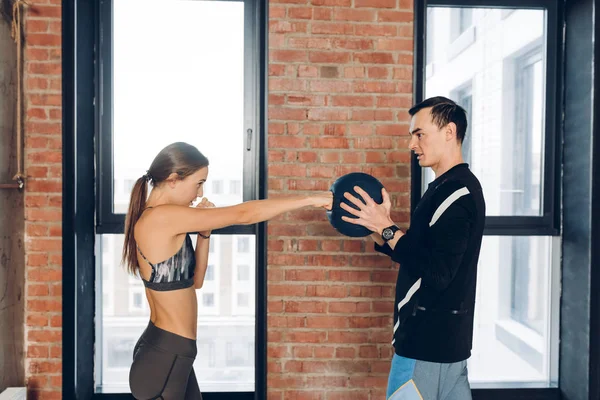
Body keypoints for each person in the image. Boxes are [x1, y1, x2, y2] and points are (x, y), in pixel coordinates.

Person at [123, 142, 332, 400]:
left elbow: (196, 281)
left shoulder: (165, 218)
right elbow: (243, 214)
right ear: (174, 180)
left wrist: (204, 234)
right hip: (165, 355)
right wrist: (309, 199)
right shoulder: (160, 218)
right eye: (198, 183)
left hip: (174, 351)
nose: (199, 193)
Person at [340, 97, 486, 400]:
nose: (411, 144)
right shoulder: (447, 188)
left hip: (425, 347)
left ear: (449, 132)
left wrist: (388, 229)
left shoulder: (456, 193)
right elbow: (423, 255)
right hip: (447, 350)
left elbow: (438, 272)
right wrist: (379, 230)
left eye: (419, 134)